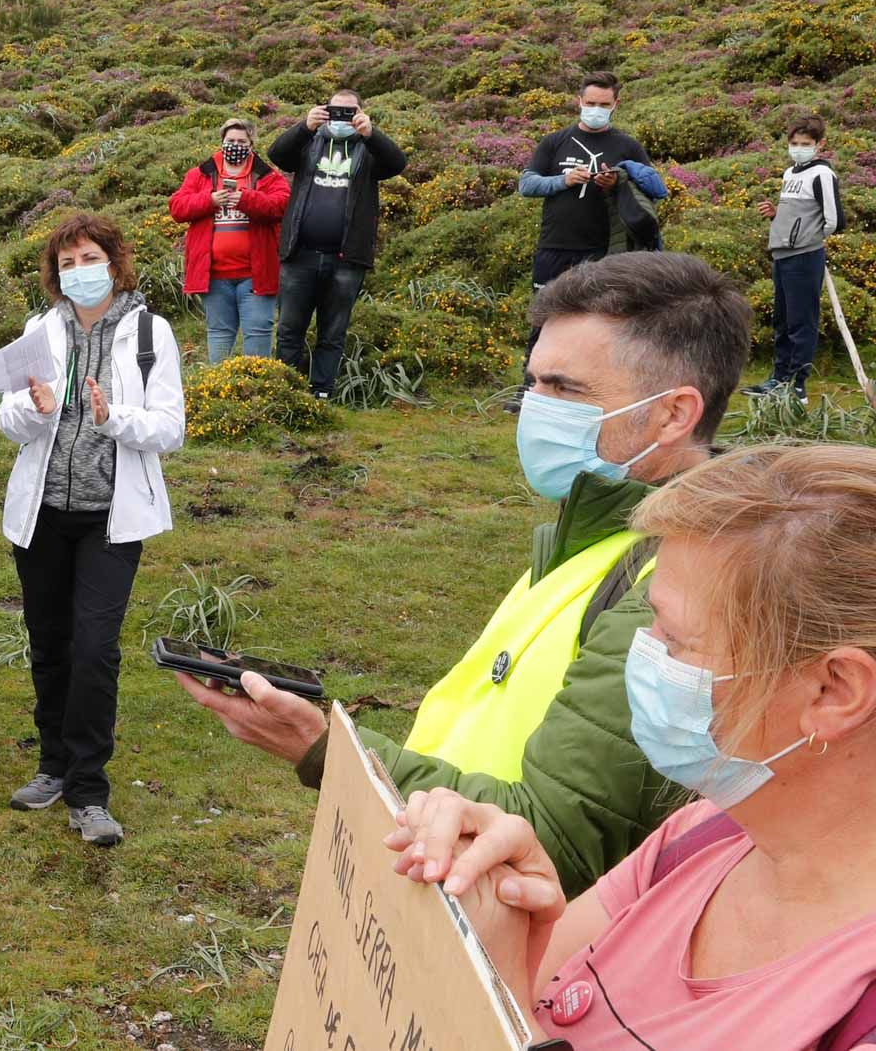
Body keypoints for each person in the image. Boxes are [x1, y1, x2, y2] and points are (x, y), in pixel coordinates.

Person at [180, 252, 753, 896]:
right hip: (449, 892)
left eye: (565, 389)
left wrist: (323, 748)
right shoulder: (590, 533)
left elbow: (554, 834)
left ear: (674, 414)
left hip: (511, 943)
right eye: (532, 382)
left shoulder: (677, 585)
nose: (533, 408)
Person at [385, 443, 876, 1051]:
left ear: (835, 690)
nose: (640, 655)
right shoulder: (707, 836)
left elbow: (509, 1019)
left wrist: (506, 998)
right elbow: (519, 993)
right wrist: (509, 911)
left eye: (674, 639)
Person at [0, 214, 185, 847]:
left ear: (115, 260)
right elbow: (7, 418)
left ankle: (89, 791)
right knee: (49, 643)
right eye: (68, 261)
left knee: (95, 646)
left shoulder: (150, 333)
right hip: (43, 513)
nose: (80, 271)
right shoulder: (37, 330)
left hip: (112, 517)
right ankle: (53, 766)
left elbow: (169, 428)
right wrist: (34, 407)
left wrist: (113, 418)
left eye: (90, 257)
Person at [517, 71, 666, 393]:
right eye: (590, 103)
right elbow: (526, 184)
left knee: (604, 321)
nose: (596, 109)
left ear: (616, 104)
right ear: (579, 101)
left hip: (608, 250)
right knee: (545, 317)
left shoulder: (628, 146)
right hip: (556, 243)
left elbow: (653, 189)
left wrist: (616, 183)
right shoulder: (555, 141)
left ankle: (593, 386)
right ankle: (530, 387)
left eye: (603, 104)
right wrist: (564, 181)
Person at [268, 89, 407, 399]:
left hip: (346, 258)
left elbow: (398, 163)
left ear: (361, 113)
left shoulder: (369, 151)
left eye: (350, 111)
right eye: (335, 110)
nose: (342, 117)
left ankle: (322, 391)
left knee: (332, 332)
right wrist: (304, 127)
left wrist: (372, 135)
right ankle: (284, 389)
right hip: (300, 255)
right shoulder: (310, 142)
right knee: (290, 328)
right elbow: (277, 155)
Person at [169, 118, 290, 362]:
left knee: (258, 333)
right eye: (230, 141)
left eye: (241, 141)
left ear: (251, 144)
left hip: (256, 275)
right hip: (214, 276)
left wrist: (246, 199)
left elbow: (282, 205)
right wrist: (210, 200)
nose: (235, 145)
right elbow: (177, 207)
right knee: (219, 334)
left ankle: (257, 389)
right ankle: (219, 389)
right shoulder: (200, 174)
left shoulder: (267, 175)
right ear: (222, 142)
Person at [747, 114, 842, 406]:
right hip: (782, 254)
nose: (798, 148)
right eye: (794, 143)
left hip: (804, 256)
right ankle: (779, 379)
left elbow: (833, 220)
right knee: (782, 320)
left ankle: (797, 386)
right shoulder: (790, 174)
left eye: (805, 143)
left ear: (819, 144)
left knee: (802, 323)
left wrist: (806, 238)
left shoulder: (822, 174)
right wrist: (778, 215)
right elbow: (799, 212)